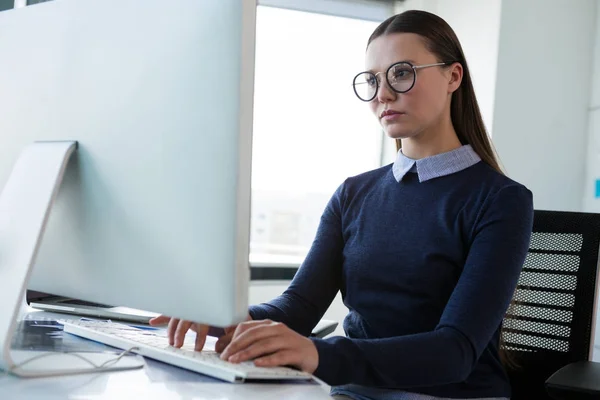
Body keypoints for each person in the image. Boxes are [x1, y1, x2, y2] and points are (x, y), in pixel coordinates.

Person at [150, 9, 533, 400]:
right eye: (373, 80)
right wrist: (223, 321)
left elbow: (455, 351)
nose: (383, 94)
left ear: (453, 76)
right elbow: (298, 307)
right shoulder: (354, 193)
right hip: (352, 394)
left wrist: (317, 352)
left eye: (402, 73)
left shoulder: (501, 200)